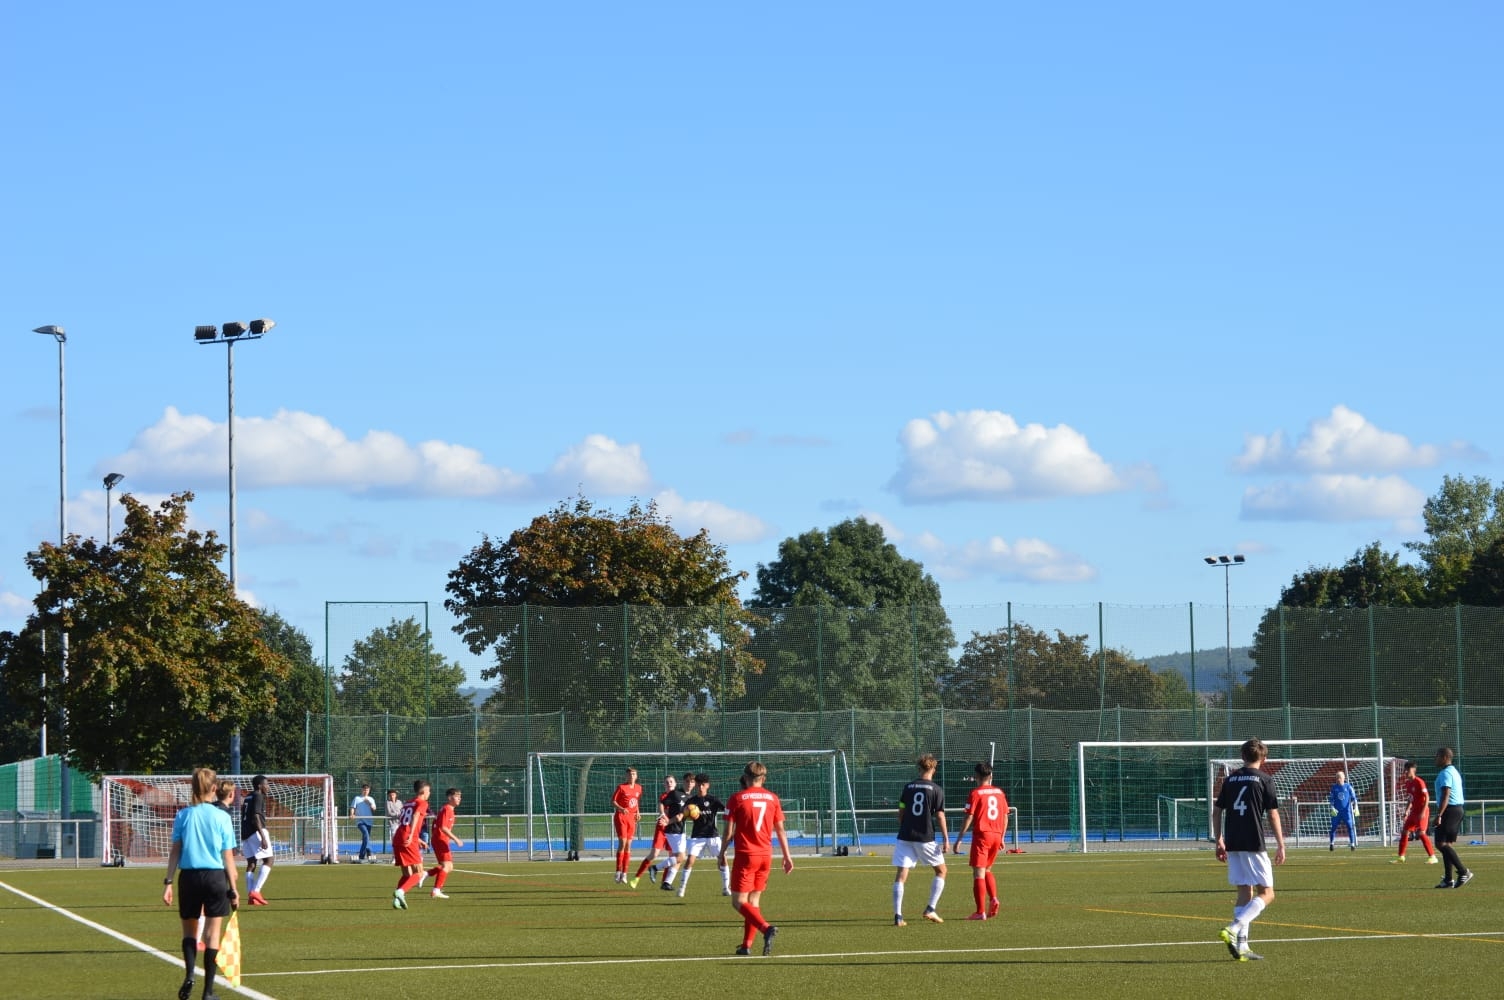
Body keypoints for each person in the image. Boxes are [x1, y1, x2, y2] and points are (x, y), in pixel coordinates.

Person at [163, 767, 239, 1000]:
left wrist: (168, 882)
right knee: (212, 935)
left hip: (189, 877)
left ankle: (189, 975)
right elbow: (228, 856)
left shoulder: (183, 815)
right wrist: (234, 889)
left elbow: (175, 851)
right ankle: (208, 991)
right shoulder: (222, 817)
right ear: (214, 788)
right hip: (215, 877)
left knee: (189, 932)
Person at [1212, 738, 1286, 962]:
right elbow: (1273, 814)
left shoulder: (1230, 779)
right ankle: (1233, 928)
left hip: (1233, 842)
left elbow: (1217, 811)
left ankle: (1242, 946)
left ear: (1242, 757)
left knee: (1244, 893)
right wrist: (1281, 844)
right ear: (1264, 759)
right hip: (1253, 842)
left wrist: (1219, 840)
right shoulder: (1265, 779)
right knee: (1268, 893)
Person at [717, 761, 794, 956]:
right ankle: (746, 946)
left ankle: (766, 928)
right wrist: (787, 856)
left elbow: (728, 832)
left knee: (738, 902)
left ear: (745, 778)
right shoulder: (773, 798)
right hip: (766, 855)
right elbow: (780, 830)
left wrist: (722, 852)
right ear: (763, 778)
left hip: (746, 855)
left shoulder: (736, 798)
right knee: (753, 901)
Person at [893, 752, 948, 926]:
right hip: (925, 837)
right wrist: (946, 838)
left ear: (919, 768)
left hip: (905, 835)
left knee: (901, 875)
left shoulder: (908, 787)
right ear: (933, 769)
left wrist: (904, 825)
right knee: (941, 871)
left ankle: (898, 916)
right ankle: (930, 908)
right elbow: (940, 816)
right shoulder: (937, 790)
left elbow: (901, 810)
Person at [951, 761, 1007, 920]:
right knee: (987, 869)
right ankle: (993, 898)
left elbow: (969, 816)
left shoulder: (975, 793)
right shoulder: (999, 792)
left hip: (983, 835)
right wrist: (1002, 837)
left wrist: (959, 839)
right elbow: (1005, 816)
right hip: (996, 834)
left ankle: (980, 912)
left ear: (976, 776)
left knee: (978, 874)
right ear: (990, 775)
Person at [195, 780, 239, 951]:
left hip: (201, 862)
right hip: (216, 865)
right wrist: (231, 871)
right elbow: (225, 849)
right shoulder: (223, 814)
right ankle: (205, 940)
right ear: (231, 795)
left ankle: (200, 939)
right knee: (212, 906)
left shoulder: (210, 808)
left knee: (204, 903)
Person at [678, 773, 729, 898]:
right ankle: (682, 888)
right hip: (697, 836)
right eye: (698, 785)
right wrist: (682, 815)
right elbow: (682, 813)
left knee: (723, 859)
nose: (700, 787)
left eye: (703, 785)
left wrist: (734, 815)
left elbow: (727, 810)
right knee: (689, 861)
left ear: (707, 785)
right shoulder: (691, 801)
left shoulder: (713, 800)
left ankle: (726, 888)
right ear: (696, 786)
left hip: (713, 835)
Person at [1432, 747, 1474, 888]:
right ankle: (1448, 880)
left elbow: (1446, 794)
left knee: (1440, 844)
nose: (1435, 759)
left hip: (1450, 810)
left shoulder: (1446, 773)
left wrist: (1439, 815)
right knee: (1447, 844)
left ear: (1444, 757)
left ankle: (1463, 871)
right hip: (1456, 810)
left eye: (1437, 756)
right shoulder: (1453, 771)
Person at [629, 775, 677, 888]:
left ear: (675, 784)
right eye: (667, 782)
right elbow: (663, 808)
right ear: (664, 785)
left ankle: (665, 882)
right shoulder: (664, 796)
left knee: (673, 856)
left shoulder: (679, 796)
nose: (669, 783)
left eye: (671, 781)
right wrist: (664, 814)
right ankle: (636, 878)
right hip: (662, 828)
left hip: (674, 829)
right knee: (654, 854)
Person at [390, 779, 432, 909]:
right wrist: (413, 835)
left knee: (406, 874)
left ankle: (397, 900)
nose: (429, 793)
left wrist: (418, 839)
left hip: (398, 837)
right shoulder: (422, 802)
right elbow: (415, 817)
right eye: (429, 791)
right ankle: (400, 892)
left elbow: (404, 822)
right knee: (419, 873)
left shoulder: (408, 803)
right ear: (424, 791)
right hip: (408, 838)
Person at [1391, 760, 1437, 864]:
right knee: (1404, 832)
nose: (1406, 772)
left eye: (1408, 770)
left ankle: (1433, 857)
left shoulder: (1419, 782)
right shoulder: (1408, 783)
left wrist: (1423, 812)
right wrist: (1407, 811)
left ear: (1413, 770)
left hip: (1422, 811)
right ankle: (1401, 857)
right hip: (1413, 812)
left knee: (1421, 833)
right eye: (1405, 770)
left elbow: (1427, 797)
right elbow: (1410, 798)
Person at [423, 788, 465, 898]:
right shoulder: (447, 809)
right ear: (450, 797)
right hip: (440, 839)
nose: (459, 798)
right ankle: (436, 890)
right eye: (457, 796)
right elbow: (443, 827)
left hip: (440, 839)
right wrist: (456, 839)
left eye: (460, 796)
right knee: (447, 866)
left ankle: (426, 874)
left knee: (448, 867)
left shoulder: (448, 809)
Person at [239, 774, 274, 906]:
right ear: (259, 786)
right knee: (269, 860)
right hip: (256, 831)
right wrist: (262, 836)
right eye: (266, 784)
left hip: (245, 832)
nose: (268, 787)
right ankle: (256, 891)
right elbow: (255, 816)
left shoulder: (248, 796)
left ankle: (251, 896)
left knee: (251, 864)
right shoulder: (258, 796)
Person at [659, 771, 695, 891]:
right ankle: (655, 868)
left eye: (692, 782)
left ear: (694, 784)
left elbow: (686, 814)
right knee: (681, 857)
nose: (689, 784)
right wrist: (663, 814)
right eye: (687, 781)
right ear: (683, 782)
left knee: (678, 858)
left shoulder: (691, 798)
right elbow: (662, 803)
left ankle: (667, 882)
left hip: (681, 830)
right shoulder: (676, 793)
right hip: (672, 829)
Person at [611, 767, 643, 884]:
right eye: (629, 774)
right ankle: (618, 871)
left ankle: (624, 873)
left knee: (629, 846)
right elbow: (613, 801)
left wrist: (638, 812)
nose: (631, 776)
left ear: (636, 776)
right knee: (623, 843)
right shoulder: (621, 787)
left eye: (633, 774)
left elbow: (635, 801)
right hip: (621, 817)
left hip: (631, 818)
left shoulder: (639, 788)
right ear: (626, 776)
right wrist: (621, 808)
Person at [1328, 770, 1359, 851]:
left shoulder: (1348, 787)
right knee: (1333, 827)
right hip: (1336, 812)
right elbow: (1331, 799)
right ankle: (1331, 844)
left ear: (1343, 778)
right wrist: (1332, 807)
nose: (1338, 779)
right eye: (1337, 777)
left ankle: (1352, 844)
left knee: (1350, 827)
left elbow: (1354, 798)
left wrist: (1355, 807)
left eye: (1340, 777)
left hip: (1346, 811)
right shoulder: (1334, 788)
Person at [350, 782, 377, 863]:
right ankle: (370, 851)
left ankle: (361, 856)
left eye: (367, 790)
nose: (365, 791)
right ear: (362, 790)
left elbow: (374, 809)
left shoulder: (371, 799)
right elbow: (352, 807)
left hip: (369, 821)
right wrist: (352, 814)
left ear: (369, 790)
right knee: (366, 834)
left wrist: (369, 803)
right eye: (364, 789)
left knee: (366, 838)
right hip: (360, 821)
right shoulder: (357, 798)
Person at [385, 788, 402, 855]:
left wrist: (400, 814)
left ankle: (401, 856)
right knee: (394, 841)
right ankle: (394, 856)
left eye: (393, 795)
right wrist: (398, 814)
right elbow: (389, 813)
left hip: (400, 824)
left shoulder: (399, 802)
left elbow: (402, 810)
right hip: (393, 824)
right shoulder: (388, 803)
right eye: (390, 795)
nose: (392, 796)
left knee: (401, 840)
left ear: (395, 795)